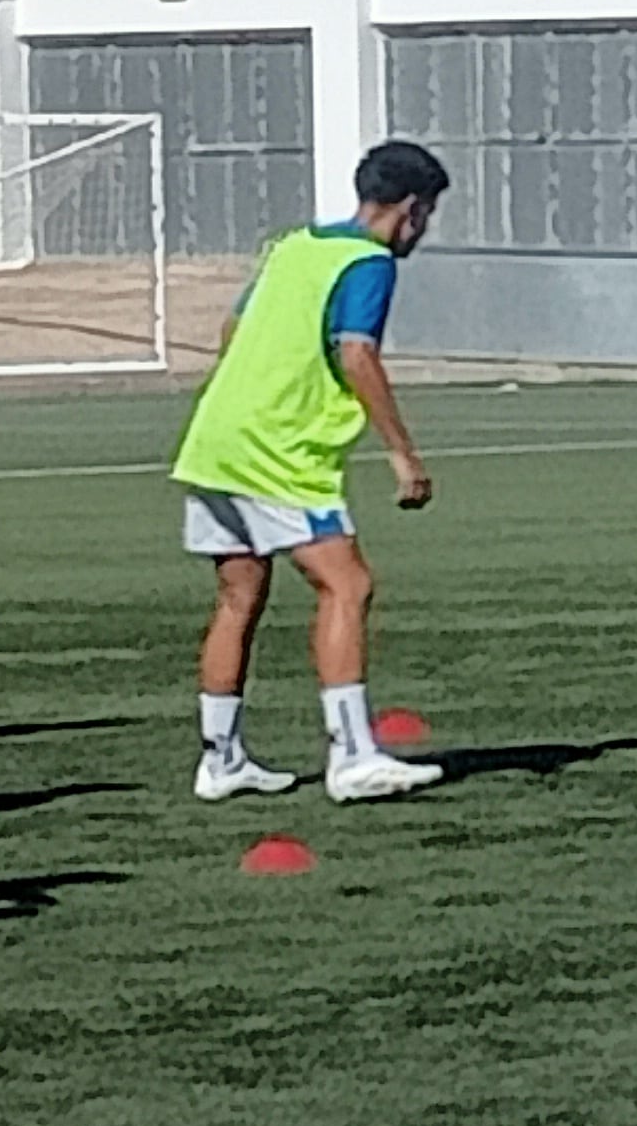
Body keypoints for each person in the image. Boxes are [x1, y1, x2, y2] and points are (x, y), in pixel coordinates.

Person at [173, 140, 450, 805]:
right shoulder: (369, 262)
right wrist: (401, 452)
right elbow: (356, 355)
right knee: (347, 585)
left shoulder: (294, 245)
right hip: (280, 453)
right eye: (430, 213)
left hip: (216, 439)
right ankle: (353, 756)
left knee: (240, 597)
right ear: (411, 209)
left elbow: (232, 328)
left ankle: (222, 758)